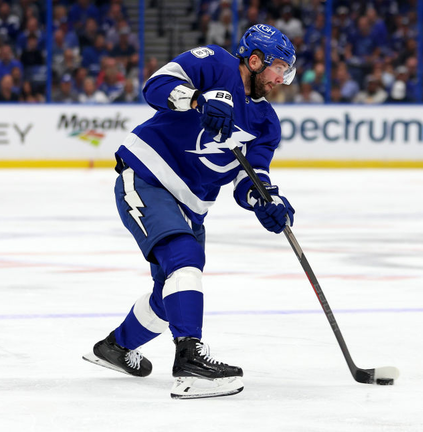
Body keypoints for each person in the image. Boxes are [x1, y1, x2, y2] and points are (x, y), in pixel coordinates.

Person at [82, 24, 298, 399]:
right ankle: (189, 362)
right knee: (185, 257)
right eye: (279, 67)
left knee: (170, 292)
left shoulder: (266, 123)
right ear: (255, 59)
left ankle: (114, 348)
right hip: (149, 176)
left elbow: (251, 178)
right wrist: (198, 100)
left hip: (192, 204)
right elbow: (155, 87)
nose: (282, 78)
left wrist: (267, 202)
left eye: (286, 71)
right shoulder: (214, 62)